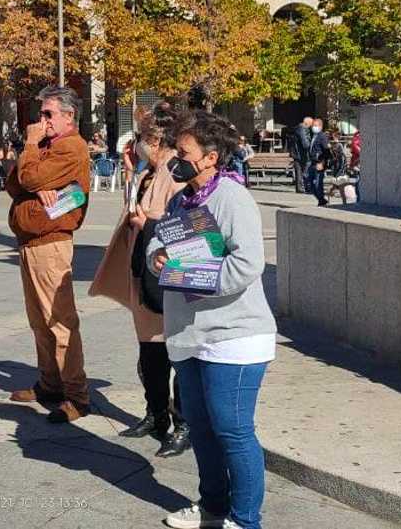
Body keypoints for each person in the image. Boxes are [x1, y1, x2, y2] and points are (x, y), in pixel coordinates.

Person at [148, 112, 276, 529]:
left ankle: (244, 519)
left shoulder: (233, 199)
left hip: (233, 335)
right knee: (201, 430)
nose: (175, 161)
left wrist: (198, 278)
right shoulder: (180, 200)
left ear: (210, 157)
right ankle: (212, 507)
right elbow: (157, 240)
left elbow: (247, 263)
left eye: (183, 153)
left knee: (232, 429)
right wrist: (158, 258)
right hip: (187, 333)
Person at [89, 104, 190, 457]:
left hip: (164, 272)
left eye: (144, 137)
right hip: (142, 269)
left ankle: (183, 422)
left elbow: (185, 223)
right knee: (151, 351)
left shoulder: (174, 169)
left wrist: (145, 222)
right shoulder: (149, 169)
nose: (139, 144)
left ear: (158, 139)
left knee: (175, 352)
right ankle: (156, 413)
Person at [5, 85, 92, 424]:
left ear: (68, 116)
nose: (41, 121)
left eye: (48, 114)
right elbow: (16, 183)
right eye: (40, 114)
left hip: (51, 240)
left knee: (59, 320)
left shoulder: (71, 146)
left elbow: (28, 175)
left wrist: (31, 160)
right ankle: (50, 383)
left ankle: (77, 394)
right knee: (39, 320)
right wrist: (37, 185)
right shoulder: (46, 146)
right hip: (31, 240)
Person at [306, 119, 331, 207]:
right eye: (313, 125)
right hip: (313, 163)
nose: (313, 127)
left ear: (320, 126)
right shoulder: (314, 135)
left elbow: (327, 152)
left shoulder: (322, 136)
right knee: (309, 184)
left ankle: (322, 201)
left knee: (317, 184)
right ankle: (322, 200)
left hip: (319, 163)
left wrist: (322, 163)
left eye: (315, 125)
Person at [290, 117, 314, 195]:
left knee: (300, 171)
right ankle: (303, 187)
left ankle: (300, 188)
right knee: (303, 171)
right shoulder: (302, 129)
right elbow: (305, 143)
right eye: (311, 124)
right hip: (301, 154)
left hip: (299, 153)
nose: (311, 126)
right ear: (307, 123)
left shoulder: (300, 128)